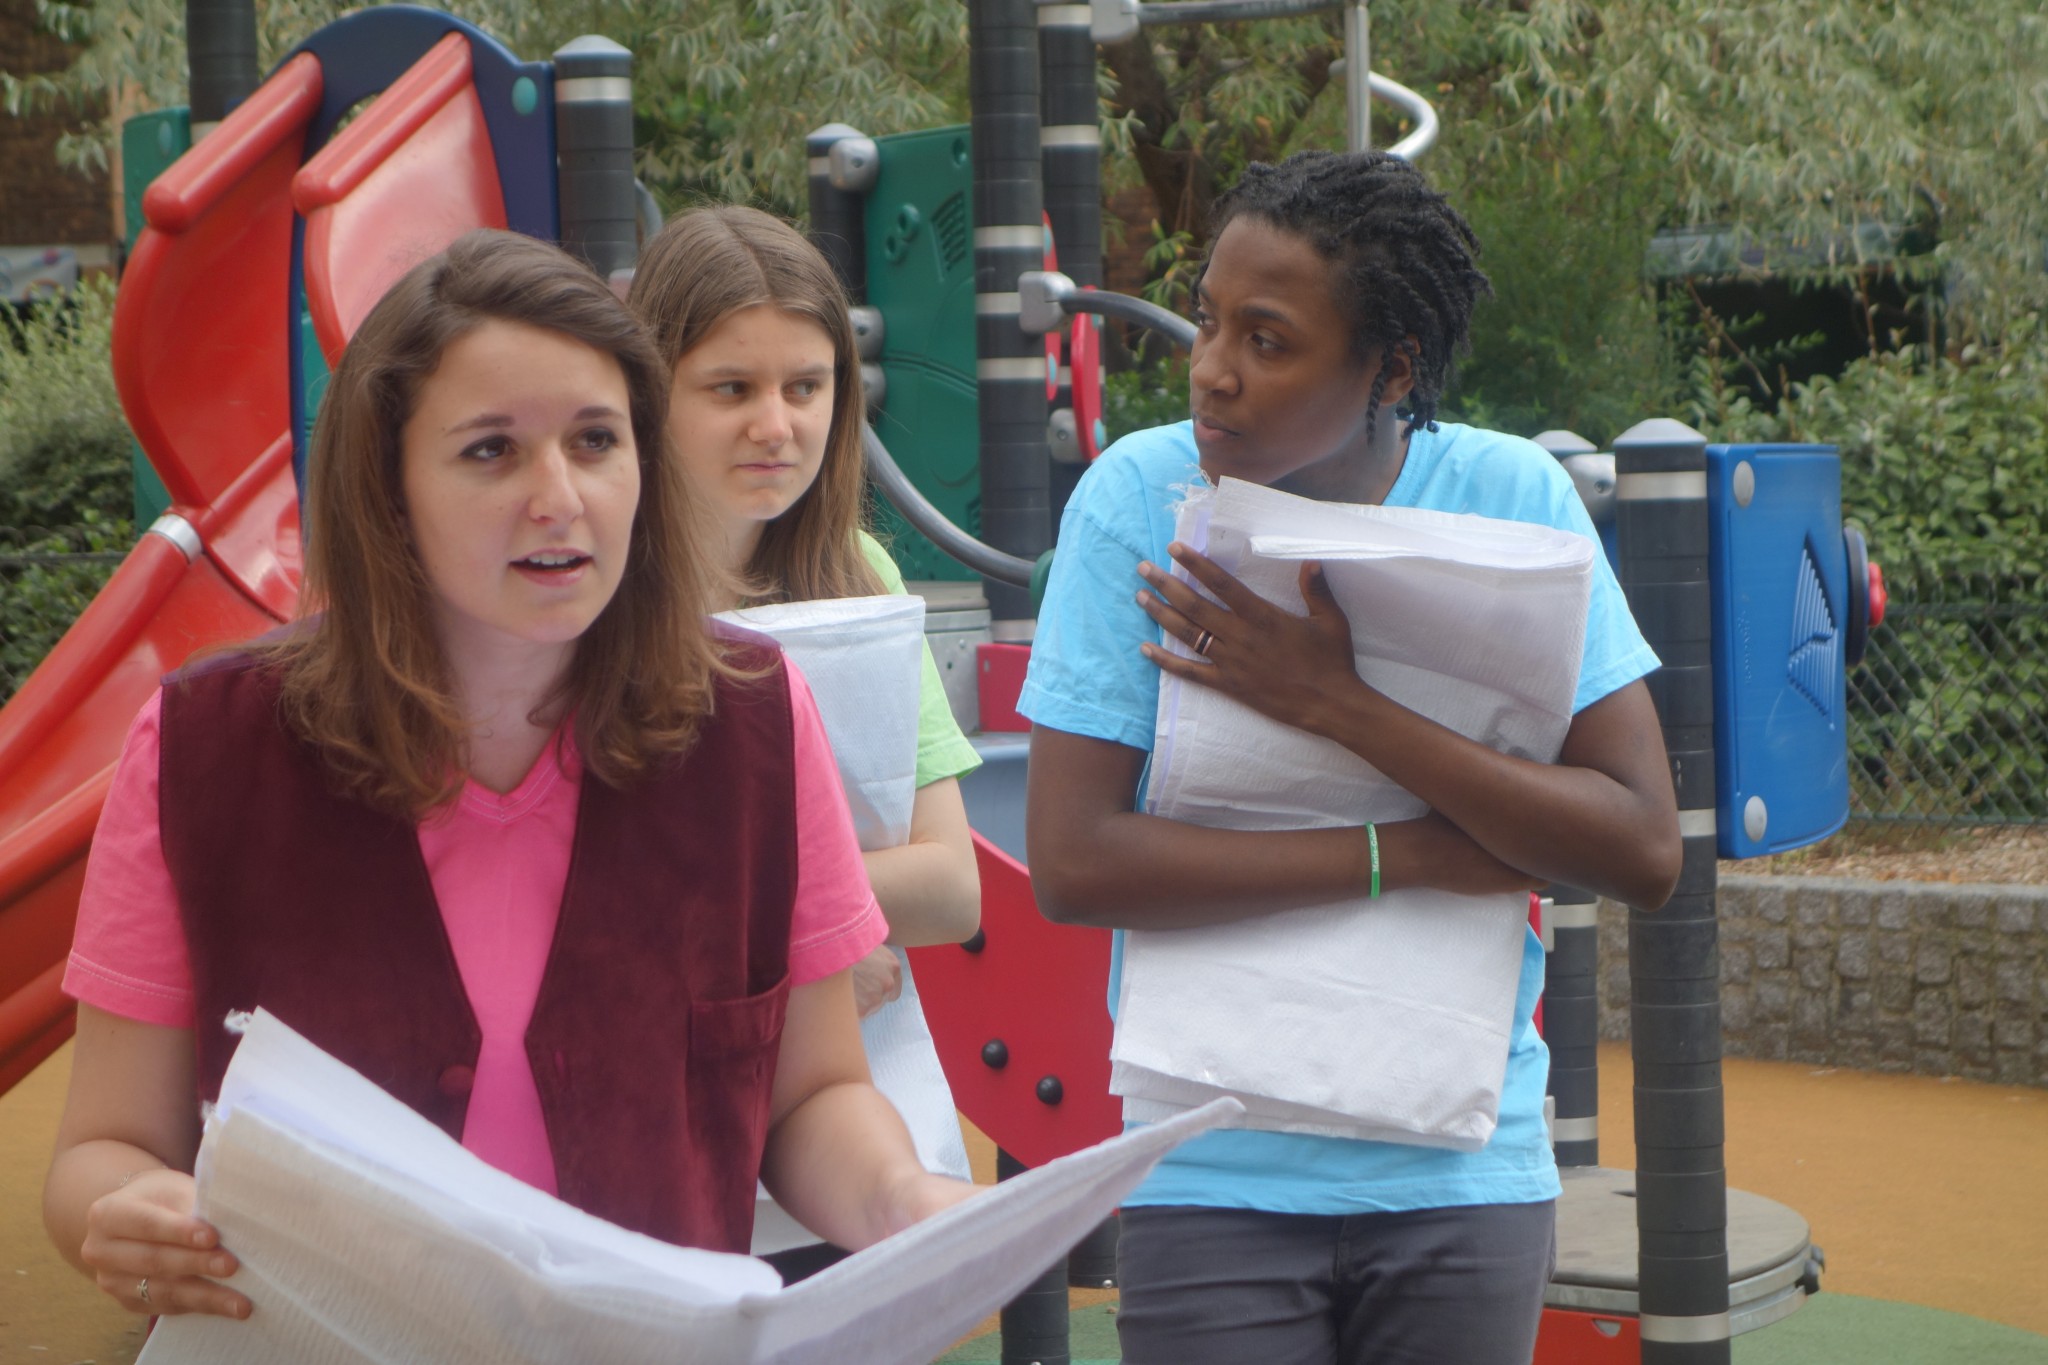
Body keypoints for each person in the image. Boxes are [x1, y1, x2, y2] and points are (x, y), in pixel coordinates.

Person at [43, 229, 973, 1322]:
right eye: (490, 450)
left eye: (594, 441)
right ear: (387, 487)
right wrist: (127, 1210)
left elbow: (813, 1097)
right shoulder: (205, 746)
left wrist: (900, 1196)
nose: (559, 496)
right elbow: (99, 1154)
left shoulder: (757, 720)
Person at [1019, 149, 1682, 1364]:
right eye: (1210, 319)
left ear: (1392, 368)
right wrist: (1407, 854)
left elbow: (1639, 846)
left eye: (1267, 342)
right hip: (1206, 1161)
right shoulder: (1136, 499)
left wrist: (1338, 703)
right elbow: (1071, 861)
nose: (1212, 369)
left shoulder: (1508, 499)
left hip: (1460, 1167)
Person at [628, 205, 982, 1278]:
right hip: (641, 1135)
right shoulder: (591, 595)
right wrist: (816, 945)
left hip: (839, 1129)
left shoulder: (861, 577)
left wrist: (790, 932)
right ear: (646, 391)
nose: (774, 424)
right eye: (729, 388)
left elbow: (950, 884)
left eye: (806, 386)